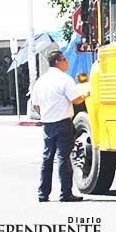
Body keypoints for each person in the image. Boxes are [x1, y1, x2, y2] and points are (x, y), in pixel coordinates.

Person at [32, 50, 89, 202]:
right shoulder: (65, 79)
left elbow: (35, 105)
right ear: (57, 62)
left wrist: (46, 114)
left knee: (47, 158)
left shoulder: (40, 81)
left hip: (47, 124)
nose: (67, 62)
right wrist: (85, 95)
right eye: (64, 59)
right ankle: (65, 193)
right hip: (63, 123)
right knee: (64, 158)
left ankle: (43, 194)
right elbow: (76, 100)